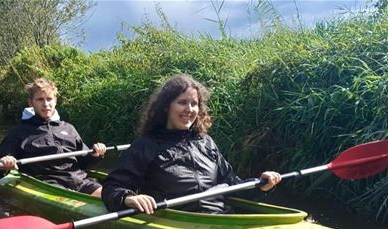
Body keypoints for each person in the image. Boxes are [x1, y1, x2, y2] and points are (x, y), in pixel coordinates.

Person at [102, 74, 281, 214]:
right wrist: (128, 198)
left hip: (220, 218)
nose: (189, 109)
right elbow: (112, 187)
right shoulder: (146, 145)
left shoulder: (206, 143)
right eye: (182, 103)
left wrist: (261, 184)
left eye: (194, 104)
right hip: (176, 220)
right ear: (166, 107)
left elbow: (233, 184)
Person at [0, 78, 106, 196]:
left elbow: (83, 162)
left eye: (49, 99)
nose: (46, 104)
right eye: (40, 99)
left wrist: (96, 155)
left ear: (55, 101)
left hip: (79, 181)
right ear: (31, 102)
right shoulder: (18, 133)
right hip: (48, 185)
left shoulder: (68, 128)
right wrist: (2, 164)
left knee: (111, 196)